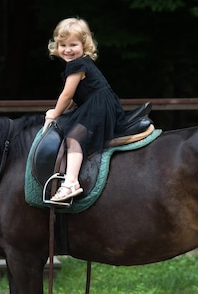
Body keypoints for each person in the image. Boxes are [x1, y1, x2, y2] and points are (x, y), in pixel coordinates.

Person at [45, 17, 125, 202]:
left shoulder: (77, 65)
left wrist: (54, 114)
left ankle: (71, 182)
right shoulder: (82, 64)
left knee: (74, 139)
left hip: (98, 107)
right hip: (98, 104)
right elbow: (77, 96)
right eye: (63, 45)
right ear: (56, 46)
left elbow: (67, 95)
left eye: (73, 44)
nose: (68, 50)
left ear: (84, 44)